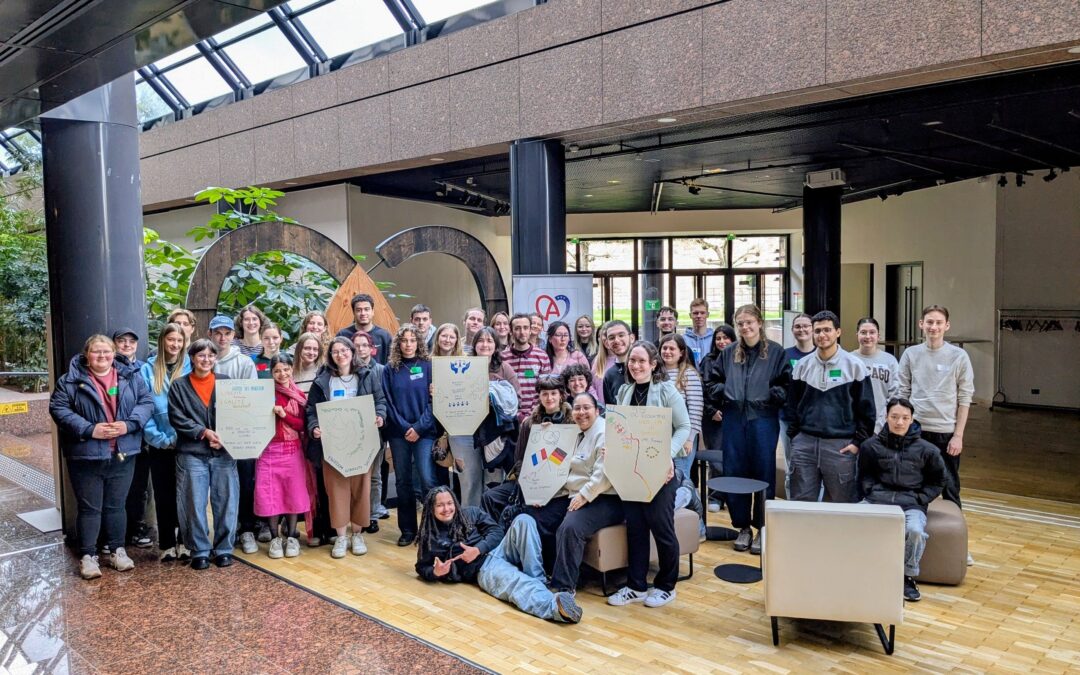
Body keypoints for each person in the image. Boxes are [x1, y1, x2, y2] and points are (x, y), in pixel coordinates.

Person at [50, 335, 153, 579]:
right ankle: (88, 556)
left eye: (107, 351)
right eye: (97, 352)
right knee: (89, 508)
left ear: (114, 352)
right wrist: (89, 429)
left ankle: (118, 551)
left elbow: (146, 402)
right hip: (86, 456)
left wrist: (128, 425)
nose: (102, 356)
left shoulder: (130, 376)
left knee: (117, 506)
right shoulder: (70, 381)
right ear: (87, 354)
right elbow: (59, 409)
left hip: (122, 452)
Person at [415, 487, 582, 623]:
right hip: (483, 569)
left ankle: (538, 581)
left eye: (449, 503)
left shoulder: (470, 514)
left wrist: (478, 549)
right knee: (516, 583)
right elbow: (422, 567)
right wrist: (436, 572)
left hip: (498, 550)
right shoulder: (430, 539)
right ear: (431, 508)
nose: (447, 509)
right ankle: (554, 606)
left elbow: (496, 531)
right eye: (440, 505)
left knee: (524, 520)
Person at [607, 341, 690, 609]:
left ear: (653, 364)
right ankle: (636, 586)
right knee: (636, 528)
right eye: (632, 361)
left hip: (661, 471)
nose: (636, 366)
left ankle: (667, 586)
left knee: (661, 527)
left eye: (642, 361)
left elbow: (684, 427)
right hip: (632, 470)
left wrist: (669, 456)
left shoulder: (667, 390)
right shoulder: (624, 391)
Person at [704, 304, 791, 555]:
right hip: (733, 418)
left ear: (760, 323)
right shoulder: (729, 352)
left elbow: (785, 385)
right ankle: (742, 526)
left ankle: (762, 527)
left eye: (749, 322)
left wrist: (768, 396)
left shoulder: (775, 352)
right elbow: (713, 380)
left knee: (763, 471)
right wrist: (726, 395)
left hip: (763, 418)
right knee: (736, 471)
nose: (745, 327)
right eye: (740, 323)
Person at [859, 398, 947, 602]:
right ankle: (859, 571)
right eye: (894, 417)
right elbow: (864, 475)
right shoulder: (870, 446)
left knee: (915, 531)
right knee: (850, 522)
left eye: (905, 418)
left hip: (910, 503)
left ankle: (906, 576)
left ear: (912, 419)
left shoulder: (928, 450)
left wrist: (919, 498)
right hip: (877, 499)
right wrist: (870, 490)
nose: (899, 422)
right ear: (886, 417)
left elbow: (938, 480)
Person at [785, 310, 877, 505]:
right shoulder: (802, 366)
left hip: (841, 446)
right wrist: (796, 438)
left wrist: (857, 443)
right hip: (805, 445)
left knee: (840, 504)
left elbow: (867, 410)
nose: (822, 335)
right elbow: (792, 405)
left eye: (827, 330)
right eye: (817, 330)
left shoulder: (855, 366)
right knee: (801, 503)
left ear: (838, 332)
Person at [306, 337, 387, 558]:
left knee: (361, 488)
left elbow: (380, 401)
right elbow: (311, 410)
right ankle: (341, 537)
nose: (340, 355)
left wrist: (380, 416)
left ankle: (357, 534)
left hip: (362, 442)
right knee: (336, 490)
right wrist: (314, 427)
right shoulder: (322, 380)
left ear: (352, 352)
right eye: (335, 352)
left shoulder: (367, 375)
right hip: (333, 444)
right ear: (330, 356)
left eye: (344, 350)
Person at [169, 339, 238, 570]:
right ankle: (199, 549)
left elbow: (240, 414)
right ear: (192, 358)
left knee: (226, 501)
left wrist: (226, 439)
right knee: (193, 502)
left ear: (215, 358)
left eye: (210, 356)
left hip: (224, 453)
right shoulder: (179, 386)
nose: (206, 360)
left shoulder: (227, 383)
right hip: (192, 452)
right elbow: (177, 417)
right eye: (201, 355)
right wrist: (203, 432)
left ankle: (224, 549)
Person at [899, 304, 974, 514]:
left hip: (946, 432)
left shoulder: (959, 356)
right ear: (921, 324)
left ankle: (955, 540)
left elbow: (965, 398)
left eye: (939, 322)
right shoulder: (910, 354)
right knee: (914, 485)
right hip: (916, 431)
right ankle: (914, 532)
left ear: (947, 326)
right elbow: (902, 392)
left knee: (950, 487)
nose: (934, 327)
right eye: (929, 322)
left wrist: (958, 435)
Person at [550, 392, 623, 595]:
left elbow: (604, 473)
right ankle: (550, 571)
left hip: (606, 498)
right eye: (577, 408)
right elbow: (558, 460)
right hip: (575, 493)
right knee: (542, 515)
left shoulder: (604, 433)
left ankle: (564, 588)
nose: (581, 413)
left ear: (597, 411)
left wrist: (584, 495)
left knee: (571, 527)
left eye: (586, 408)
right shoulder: (573, 433)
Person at [480, 373, 565, 525]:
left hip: (560, 485)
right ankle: (493, 542)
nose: (549, 398)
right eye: (544, 394)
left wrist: (553, 436)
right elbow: (519, 460)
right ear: (539, 396)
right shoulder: (529, 423)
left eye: (553, 393)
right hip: (529, 481)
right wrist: (531, 486)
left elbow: (564, 461)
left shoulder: (571, 422)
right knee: (489, 497)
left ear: (561, 396)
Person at [140, 323, 192, 562]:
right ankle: (167, 544)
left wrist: (184, 436)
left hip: (187, 442)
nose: (175, 345)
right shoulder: (147, 370)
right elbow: (143, 408)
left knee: (187, 494)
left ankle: (185, 540)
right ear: (162, 341)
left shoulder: (191, 366)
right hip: (160, 444)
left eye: (179, 341)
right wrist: (160, 439)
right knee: (164, 493)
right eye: (171, 340)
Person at [383, 325, 438, 546]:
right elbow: (387, 402)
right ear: (398, 343)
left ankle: (432, 529)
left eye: (412, 340)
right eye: (404, 341)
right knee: (403, 481)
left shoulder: (427, 366)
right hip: (399, 433)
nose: (408, 344)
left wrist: (419, 428)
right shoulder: (390, 369)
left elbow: (435, 401)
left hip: (424, 432)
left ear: (419, 342)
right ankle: (407, 530)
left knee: (427, 479)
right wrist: (406, 427)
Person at [256, 354, 310, 559]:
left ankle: (292, 538)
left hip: (292, 449)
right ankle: (274, 539)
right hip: (268, 450)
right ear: (271, 372)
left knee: (292, 493)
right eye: (277, 370)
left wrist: (284, 415)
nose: (282, 374)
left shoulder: (298, 394)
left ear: (292, 369)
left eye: (286, 369)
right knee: (271, 494)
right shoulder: (264, 393)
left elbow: (301, 425)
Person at [111, 327, 153, 550]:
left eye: (131, 341)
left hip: (139, 436)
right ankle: (113, 534)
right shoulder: (106, 367)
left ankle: (136, 527)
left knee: (138, 487)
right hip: (112, 438)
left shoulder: (144, 369)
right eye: (122, 341)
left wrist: (132, 424)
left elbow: (147, 401)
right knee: (116, 488)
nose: (127, 345)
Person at [352, 331, 391, 527]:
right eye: (356, 346)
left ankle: (373, 513)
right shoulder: (346, 371)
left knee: (374, 474)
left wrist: (380, 416)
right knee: (355, 475)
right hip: (351, 430)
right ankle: (357, 513)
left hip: (374, 430)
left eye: (364, 345)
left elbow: (384, 399)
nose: (360, 349)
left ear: (372, 349)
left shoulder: (382, 371)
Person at [697, 324, 735, 512]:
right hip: (713, 416)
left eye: (726, 338)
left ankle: (732, 496)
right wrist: (712, 411)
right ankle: (716, 495)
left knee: (735, 457)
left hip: (734, 415)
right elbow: (702, 389)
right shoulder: (708, 360)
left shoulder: (739, 358)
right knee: (717, 458)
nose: (722, 341)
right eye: (718, 338)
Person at [779, 313, 815, 496]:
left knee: (815, 465)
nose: (802, 330)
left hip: (815, 420)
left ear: (812, 328)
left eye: (806, 326)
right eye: (798, 326)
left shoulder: (820, 354)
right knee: (792, 463)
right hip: (789, 420)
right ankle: (791, 501)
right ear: (792, 330)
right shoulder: (785, 355)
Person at [659, 334, 703, 481]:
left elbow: (696, 409)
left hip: (683, 436)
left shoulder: (689, 374)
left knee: (681, 476)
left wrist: (690, 438)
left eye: (672, 348)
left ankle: (689, 504)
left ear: (681, 352)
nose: (667, 351)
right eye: (664, 348)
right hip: (659, 434)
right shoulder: (655, 374)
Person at [853, 317, 900, 433]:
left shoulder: (890, 361)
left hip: (883, 425)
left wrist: (881, 423)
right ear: (857, 335)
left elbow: (895, 394)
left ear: (878, 336)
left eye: (872, 332)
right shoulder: (849, 360)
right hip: (854, 427)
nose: (868, 336)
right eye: (863, 332)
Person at [502, 313, 552, 422]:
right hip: (510, 417)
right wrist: (518, 415)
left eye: (525, 328)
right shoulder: (502, 358)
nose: (522, 332)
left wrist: (532, 414)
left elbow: (545, 388)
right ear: (511, 331)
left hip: (537, 416)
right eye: (517, 328)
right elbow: (502, 392)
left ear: (530, 330)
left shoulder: (542, 356)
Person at [336, 293, 392, 365]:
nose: (363, 313)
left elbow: (391, 364)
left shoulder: (384, 336)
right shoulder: (343, 335)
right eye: (359, 310)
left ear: (372, 311)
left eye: (366, 309)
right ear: (354, 312)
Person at [208, 315, 258, 380]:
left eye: (227, 333)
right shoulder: (201, 360)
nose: (223, 338)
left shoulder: (245, 363)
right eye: (218, 333)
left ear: (233, 334)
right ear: (209, 334)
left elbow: (252, 388)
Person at [600, 320, 634, 406]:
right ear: (607, 344)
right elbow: (611, 411)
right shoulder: (609, 375)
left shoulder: (647, 367)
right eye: (611, 338)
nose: (617, 340)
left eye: (621, 335)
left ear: (632, 338)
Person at [683, 298, 714, 366]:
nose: (699, 316)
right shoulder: (683, 340)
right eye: (695, 313)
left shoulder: (714, 338)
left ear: (707, 315)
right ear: (690, 315)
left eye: (702, 313)